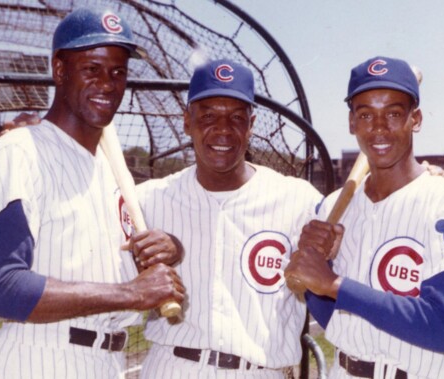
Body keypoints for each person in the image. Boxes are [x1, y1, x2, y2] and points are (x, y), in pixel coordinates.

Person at [0, 7, 184, 378]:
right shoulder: (16, 153)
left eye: (118, 72)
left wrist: (168, 246)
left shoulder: (113, 172)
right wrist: (132, 293)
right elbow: (0, 287)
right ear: (60, 70)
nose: (108, 84)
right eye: (92, 69)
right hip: (38, 358)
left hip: (107, 360)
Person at [284, 56, 444, 379]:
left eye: (394, 113)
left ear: (416, 119)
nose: (379, 127)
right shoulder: (334, 208)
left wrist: (333, 284)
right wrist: (318, 271)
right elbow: (337, 320)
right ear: (351, 122)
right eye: (366, 114)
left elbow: (440, 327)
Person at [132, 59, 332, 378]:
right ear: (187, 121)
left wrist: (427, 178)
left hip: (259, 370)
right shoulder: (148, 199)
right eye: (208, 115)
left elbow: (360, 222)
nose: (223, 129)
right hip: (174, 366)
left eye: (236, 117)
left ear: (251, 124)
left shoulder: (299, 199)